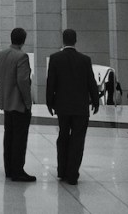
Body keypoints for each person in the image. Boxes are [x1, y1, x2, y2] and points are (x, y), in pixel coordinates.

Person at [46, 29, 100, 186]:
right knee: (78, 139)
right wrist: (95, 101)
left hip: (62, 106)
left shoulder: (55, 58)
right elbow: (91, 82)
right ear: (76, 40)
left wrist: (50, 102)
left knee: (63, 136)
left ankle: (62, 170)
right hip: (80, 106)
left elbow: (51, 83)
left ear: (62, 40)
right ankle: (72, 174)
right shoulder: (85, 60)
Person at [0, 27, 35, 182]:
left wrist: (5, 85)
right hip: (19, 103)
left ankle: (9, 168)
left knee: (8, 135)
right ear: (23, 40)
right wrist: (28, 102)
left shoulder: (1, 54)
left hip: (6, 102)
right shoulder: (21, 56)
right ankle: (18, 170)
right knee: (19, 137)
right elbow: (23, 81)